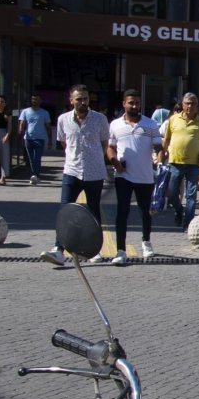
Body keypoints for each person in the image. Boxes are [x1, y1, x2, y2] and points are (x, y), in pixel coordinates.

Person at [41, 84, 111, 265]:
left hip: (94, 172)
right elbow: (65, 144)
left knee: (94, 211)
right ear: (71, 100)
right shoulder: (63, 119)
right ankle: (58, 249)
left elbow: (104, 143)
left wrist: (95, 159)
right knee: (65, 210)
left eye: (85, 98)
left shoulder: (100, 119)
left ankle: (94, 250)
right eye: (79, 99)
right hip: (71, 170)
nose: (83, 102)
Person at [107, 89, 163, 265]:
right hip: (123, 175)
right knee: (122, 212)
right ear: (124, 103)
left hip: (145, 176)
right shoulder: (115, 125)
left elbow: (159, 148)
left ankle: (146, 242)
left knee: (145, 212)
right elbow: (110, 147)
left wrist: (159, 163)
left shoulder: (151, 124)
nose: (134, 106)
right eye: (131, 102)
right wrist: (114, 161)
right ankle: (120, 250)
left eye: (137, 102)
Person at [157, 92, 199, 230]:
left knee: (191, 195)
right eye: (187, 103)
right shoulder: (173, 120)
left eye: (193, 103)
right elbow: (166, 139)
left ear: (197, 106)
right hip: (175, 163)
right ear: (182, 104)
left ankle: (188, 223)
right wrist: (161, 155)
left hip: (193, 164)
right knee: (173, 194)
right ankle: (179, 210)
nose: (190, 106)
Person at [18, 92, 53, 185]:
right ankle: (34, 175)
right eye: (33, 99)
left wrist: (50, 140)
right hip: (28, 138)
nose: (34, 101)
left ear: (40, 101)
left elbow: (48, 127)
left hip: (40, 139)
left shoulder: (44, 113)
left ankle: (35, 175)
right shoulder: (25, 111)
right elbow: (22, 123)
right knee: (30, 159)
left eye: (36, 99)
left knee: (37, 158)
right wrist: (20, 131)